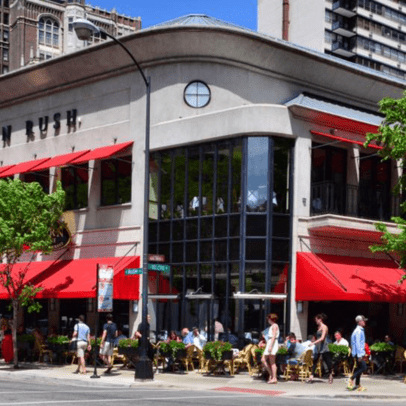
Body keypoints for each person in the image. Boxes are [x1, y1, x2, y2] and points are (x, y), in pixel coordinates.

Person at [307, 313, 334, 384]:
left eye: (316, 320)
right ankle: (311, 376)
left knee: (327, 362)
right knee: (315, 361)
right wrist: (314, 341)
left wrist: (314, 343)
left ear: (320, 319)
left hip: (324, 346)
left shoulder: (324, 327)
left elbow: (322, 338)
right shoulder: (318, 327)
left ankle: (330, 374)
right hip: (318, 346)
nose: (316, 321)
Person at [348, 315, 368, 392]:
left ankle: (357, 385)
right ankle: (352, 378)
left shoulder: (359, 330)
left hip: (358, 353)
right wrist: (360, 355)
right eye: (363, 320)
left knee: (359, 368)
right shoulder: (358, 331)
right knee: (364, 367)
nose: (364, 322)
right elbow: (358, 344)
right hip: (359, 353)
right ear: (359, 322)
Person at [261, 313, 279, 384]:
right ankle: (272, 375)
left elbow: (274, 336)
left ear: (270, 319)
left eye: (268, 318)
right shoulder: (272, 326)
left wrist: (270, 346)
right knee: (264, 359)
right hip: (270, 342)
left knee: (272, 362)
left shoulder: (274, 326)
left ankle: (274, 377)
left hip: (272, 343)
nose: (267, 320)